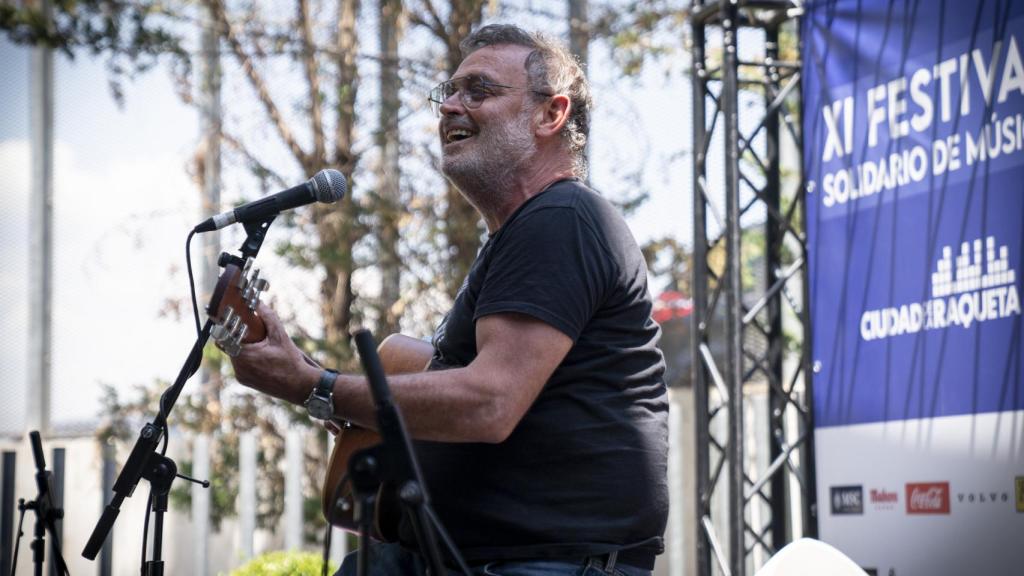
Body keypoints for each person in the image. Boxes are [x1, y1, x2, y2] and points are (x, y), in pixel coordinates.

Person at [230, 24, 668, 576]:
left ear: (550, 114)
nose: (451, 107)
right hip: (456, 556)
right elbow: (466, 393)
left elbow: (489, 402)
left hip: (543, 564)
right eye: (449, 92)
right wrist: (324, 387)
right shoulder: (522, 236)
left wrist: (315, 386)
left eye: (479, 90)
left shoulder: (564, 219)